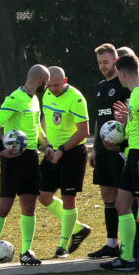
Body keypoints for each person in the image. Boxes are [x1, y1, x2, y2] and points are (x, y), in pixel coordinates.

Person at [100, 54, 139, 272]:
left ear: (123, 72)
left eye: (118, 74)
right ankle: (127, 257)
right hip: (135, 155)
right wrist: (119, 145)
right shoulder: (135, 94)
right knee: (122, 204)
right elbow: (137, 132)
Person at [0, 65, 50, 267]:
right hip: (13, 160)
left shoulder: (34, 99)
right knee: (5, 205)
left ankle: (26, 251)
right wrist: (0, 149)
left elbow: (37, 127)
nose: (47, 86)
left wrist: (47, 145)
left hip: (31, 158)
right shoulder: (15, 98)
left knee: (29, 205)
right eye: (46, 82)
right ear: (41, 80)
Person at [37, 66, 92, 258]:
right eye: (49, 85)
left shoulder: (76, 98)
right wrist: (48, 145)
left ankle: (62, 245)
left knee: (69, 198)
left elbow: (84, 132)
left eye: (57, 85)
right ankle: (78, 229)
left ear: (65, 80)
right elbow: (45, 121)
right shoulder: (46, 94)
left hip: (73, 153)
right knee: (43, 196)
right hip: (54, 151)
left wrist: (62, 150)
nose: (52, 88)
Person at [88, 44, 131, 258]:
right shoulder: (100, 87)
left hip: (120, 149)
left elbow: (132, 117)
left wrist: (123, 143)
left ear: (115, 60)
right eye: (99, 63)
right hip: (103, 150)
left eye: (106, 62)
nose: (102, 66)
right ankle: (111, 242)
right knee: (107, 194)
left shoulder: (124, 85)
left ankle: (130, 242)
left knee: (124, 196)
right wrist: (95, 148)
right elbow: (99, 119)